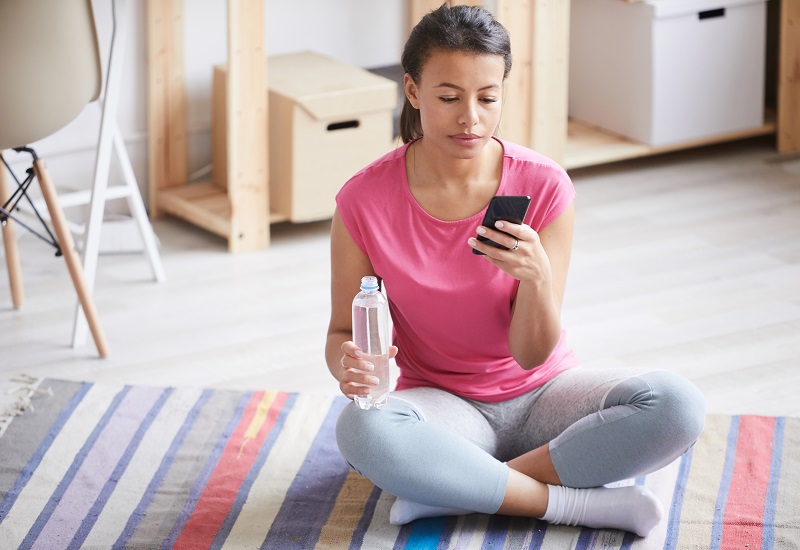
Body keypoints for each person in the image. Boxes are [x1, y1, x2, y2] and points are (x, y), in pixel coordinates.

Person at [325, 3, 705, 537]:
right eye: (449, 97)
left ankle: (461, 488)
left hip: (546, 396)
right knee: (363, 430)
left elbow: (531, 353)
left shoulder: (545, 186)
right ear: (412, 91)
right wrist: (351, 370)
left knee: (677, 406)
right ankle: (575, 505)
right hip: (443, 408)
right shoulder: (363, 200)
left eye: (487, 97)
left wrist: (537, 277)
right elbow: (342, 331)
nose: (470, 119)